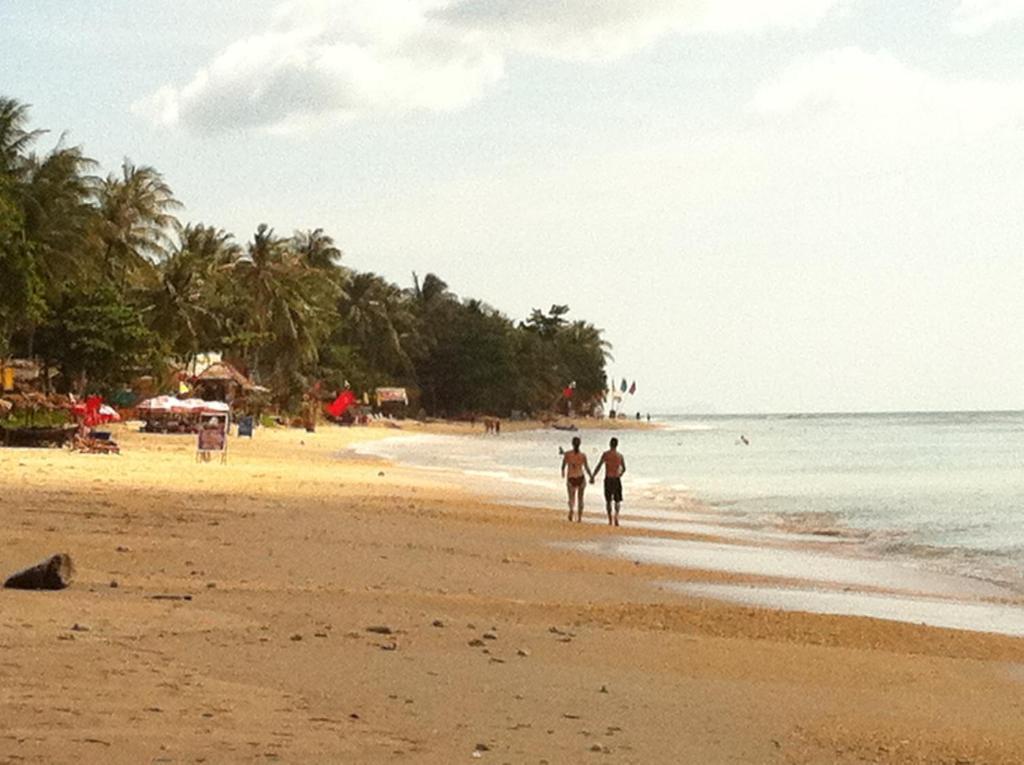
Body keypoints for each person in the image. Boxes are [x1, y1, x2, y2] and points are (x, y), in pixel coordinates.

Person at [591, 437, 626, 527]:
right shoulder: (620, 456)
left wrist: (593, 476)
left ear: (610, 444)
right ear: (617, 445)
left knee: (608, 500)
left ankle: (610, 519)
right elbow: (624, 468)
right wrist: (620, 474)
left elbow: (599, 465)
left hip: (608, 479)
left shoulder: (606, 454)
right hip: (616, 479)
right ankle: (616, 516)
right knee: (617, 500)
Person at [560, 436, 592, 522]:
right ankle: (580, 518)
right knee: (580, 499)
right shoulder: (583, 455)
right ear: (580, 444)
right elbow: (587, 467)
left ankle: (571, 510)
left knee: (571, 497)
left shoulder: (567, 454)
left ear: (572, 444)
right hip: (581, 477)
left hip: (571, 478)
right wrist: (591, 476)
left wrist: (563, 473)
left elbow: (563, 466)